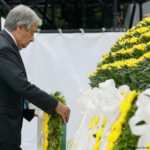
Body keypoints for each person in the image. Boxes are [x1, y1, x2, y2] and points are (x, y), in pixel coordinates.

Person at [0, 4, 70, 150]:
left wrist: (34, 112)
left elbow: (9, 90)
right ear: (19, 27)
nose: (32, 39)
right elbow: (21, 86)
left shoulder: (6, 45)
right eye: (32, 33)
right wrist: (55, 105)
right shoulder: (4, 48)